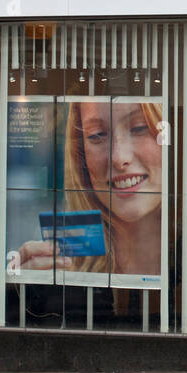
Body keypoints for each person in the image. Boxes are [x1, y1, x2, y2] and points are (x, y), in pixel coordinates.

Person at [16, 100, 164, 278]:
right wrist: (25, 286)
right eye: (97, 135)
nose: (119, 157)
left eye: (139, 128)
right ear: (81, 155)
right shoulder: (58, 254)